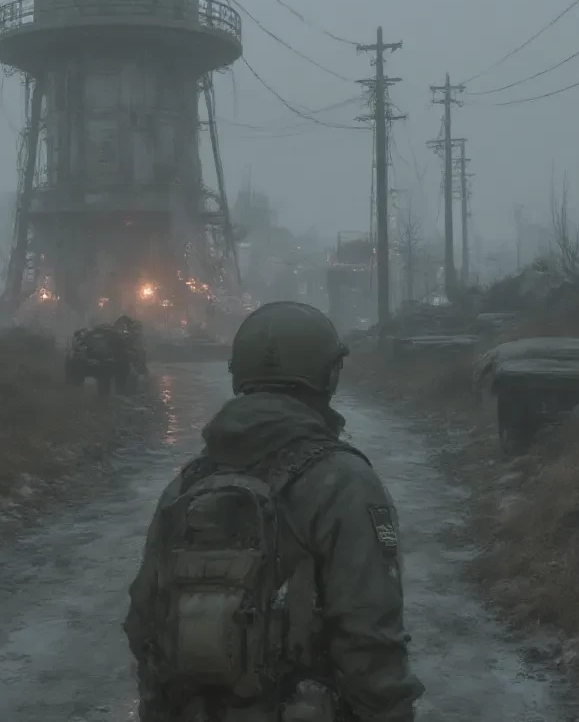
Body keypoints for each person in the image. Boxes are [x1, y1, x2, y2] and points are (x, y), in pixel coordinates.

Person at [124, 301, 424, 722]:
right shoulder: (344, 481)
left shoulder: (189, 482)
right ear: (329, 375)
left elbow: (145, 623)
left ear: (239, 376)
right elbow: (370, 638)